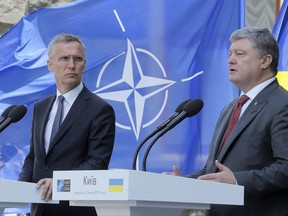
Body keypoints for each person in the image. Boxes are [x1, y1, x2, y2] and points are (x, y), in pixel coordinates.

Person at [164, 27, 288, 216]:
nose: (230, 60)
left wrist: (237, 181)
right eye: (230, 54)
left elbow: (285, 168)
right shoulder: (230, 108)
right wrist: (184, 183)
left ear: (265, 60)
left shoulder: (282, 104)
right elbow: (213, 169)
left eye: (240, 54)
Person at [18, 33, 116, 216]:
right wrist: (18, 190)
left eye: (77, 59)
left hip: (76, 210)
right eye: (64, 58)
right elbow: (33, 158)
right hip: (40, 209)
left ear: (84, 64)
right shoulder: (41, 107)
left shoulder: (100, 109)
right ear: (50, 65)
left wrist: (59, 183)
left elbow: (97, 163)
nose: (72, 65)